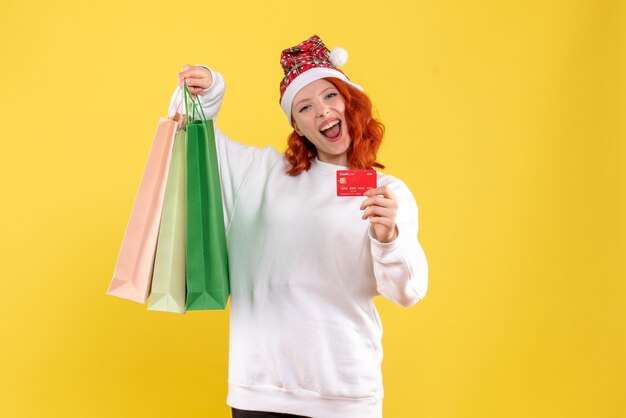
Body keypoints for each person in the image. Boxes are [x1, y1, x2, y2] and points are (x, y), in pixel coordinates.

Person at [169, 35, 428, 418]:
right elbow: (192, 136)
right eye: (304, 107)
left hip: (345, 393)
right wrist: (208, 89)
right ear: (298, 127)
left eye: (329, 96)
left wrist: (388, 239)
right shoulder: (261, 174)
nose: (321, 112)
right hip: (259, 390)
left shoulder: (387, 193)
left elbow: (407, 292)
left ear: (349, 102)